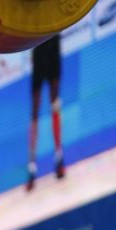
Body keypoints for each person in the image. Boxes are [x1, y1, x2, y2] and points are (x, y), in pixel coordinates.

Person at [26, 34, 66, 192]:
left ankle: (59, 158)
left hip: (53, 42)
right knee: (35, 112)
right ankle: (31, 168)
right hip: (37, 45)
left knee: (55, 104)